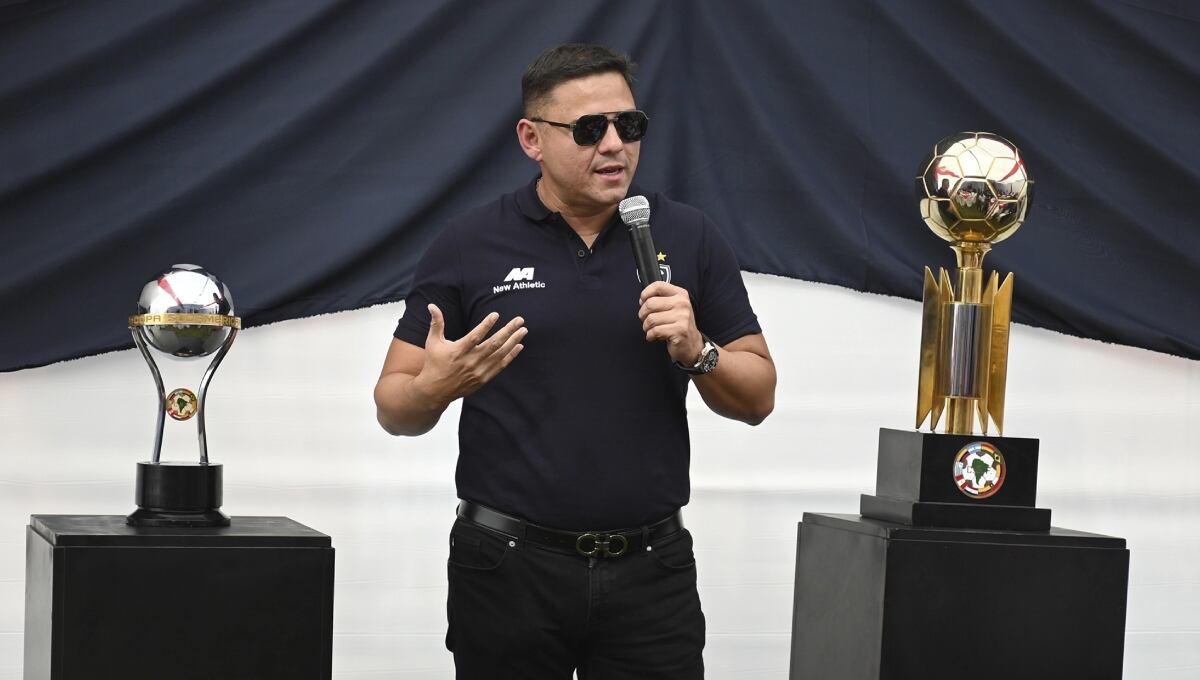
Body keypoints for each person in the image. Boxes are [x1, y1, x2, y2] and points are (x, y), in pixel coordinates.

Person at [374, 43, 776, 679]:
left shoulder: (688, 235)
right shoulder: (470, 243)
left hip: (653, 570)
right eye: (589, 129)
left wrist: (699, 351)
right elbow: (393, 405)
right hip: (507, 567)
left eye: (629, 125)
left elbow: (758, 395)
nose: (614, 145)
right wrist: (439, 385)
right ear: (532, 138)